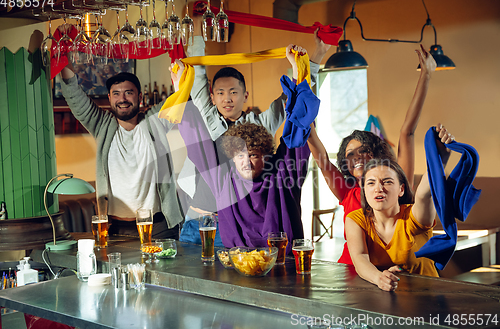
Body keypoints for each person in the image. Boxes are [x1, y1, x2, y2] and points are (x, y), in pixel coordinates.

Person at [174, 19, 331, 246]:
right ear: (212, 97)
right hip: (199, 218)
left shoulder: (261, 124)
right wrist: (197, 30)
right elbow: (197, 77)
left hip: (242, 222)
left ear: (245, 95)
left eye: (233, 92)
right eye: (220, 93)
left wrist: (310, 60)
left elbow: (294, 105)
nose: (227, 98)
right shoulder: (207, 119)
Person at [306, 44, 437, 265]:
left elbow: (407, 131)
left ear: (376, 154)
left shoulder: (393, 179)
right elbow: (320, 154)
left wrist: (426, 75)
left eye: (363, 151)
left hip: (396, 276)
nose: (356, 157)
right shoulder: (348, 191)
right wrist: (303, 98)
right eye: (349, 154)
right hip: (350, 274)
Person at [178, 71, 319, 252]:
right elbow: (197, 142)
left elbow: (296, 132)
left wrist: (299, 71)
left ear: (266, 157)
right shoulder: (224, 181)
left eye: (252, 155)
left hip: (280, 264)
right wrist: (180, 88)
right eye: (240, 156)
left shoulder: (282, 175)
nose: (246, 162)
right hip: (229, 255)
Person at [59, 62, 184, 240]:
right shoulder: (102, 124)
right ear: (109, 98)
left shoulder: (154, 122)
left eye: (128, 92)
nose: (122, 99)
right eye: (116, 94)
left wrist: (181, 76)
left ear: (139, 96)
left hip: (157, 226)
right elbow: (75, 98)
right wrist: (63, 58)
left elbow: (180, 101)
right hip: (115, 228)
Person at [346, 125, 454, 291]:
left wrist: (439, 159)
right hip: (390, 301)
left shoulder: (413, 216)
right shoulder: (355, 219)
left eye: (387, 182)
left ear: (401, 189)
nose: (378, 188)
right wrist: (379, 278)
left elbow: (424, 195)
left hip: (429, 299)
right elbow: (360, 258)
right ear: (364, 189)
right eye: (371, 183)